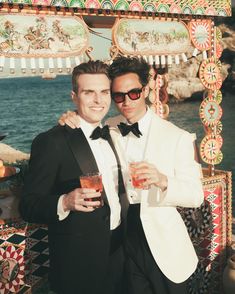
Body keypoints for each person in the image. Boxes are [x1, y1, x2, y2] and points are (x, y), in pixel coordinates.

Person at [59, 56, 204, 294]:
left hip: (164, 246)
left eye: (134, 93)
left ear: (146, 90)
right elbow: (86, 126)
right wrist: (70, 117)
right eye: (117, 96)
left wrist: (162, 180)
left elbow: (196, 195)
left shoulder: (178, 137)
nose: (126, 101)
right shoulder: (110, 128)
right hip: (123, 242)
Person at [19, 60, 127, 294]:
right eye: (89, 92)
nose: (98, 100)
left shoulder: (114, 132)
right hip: (78, 262)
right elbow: (28, 205)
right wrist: (64, 202)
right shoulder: (51, 142)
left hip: (119, 252)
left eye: (104, 92)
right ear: (74, 96)